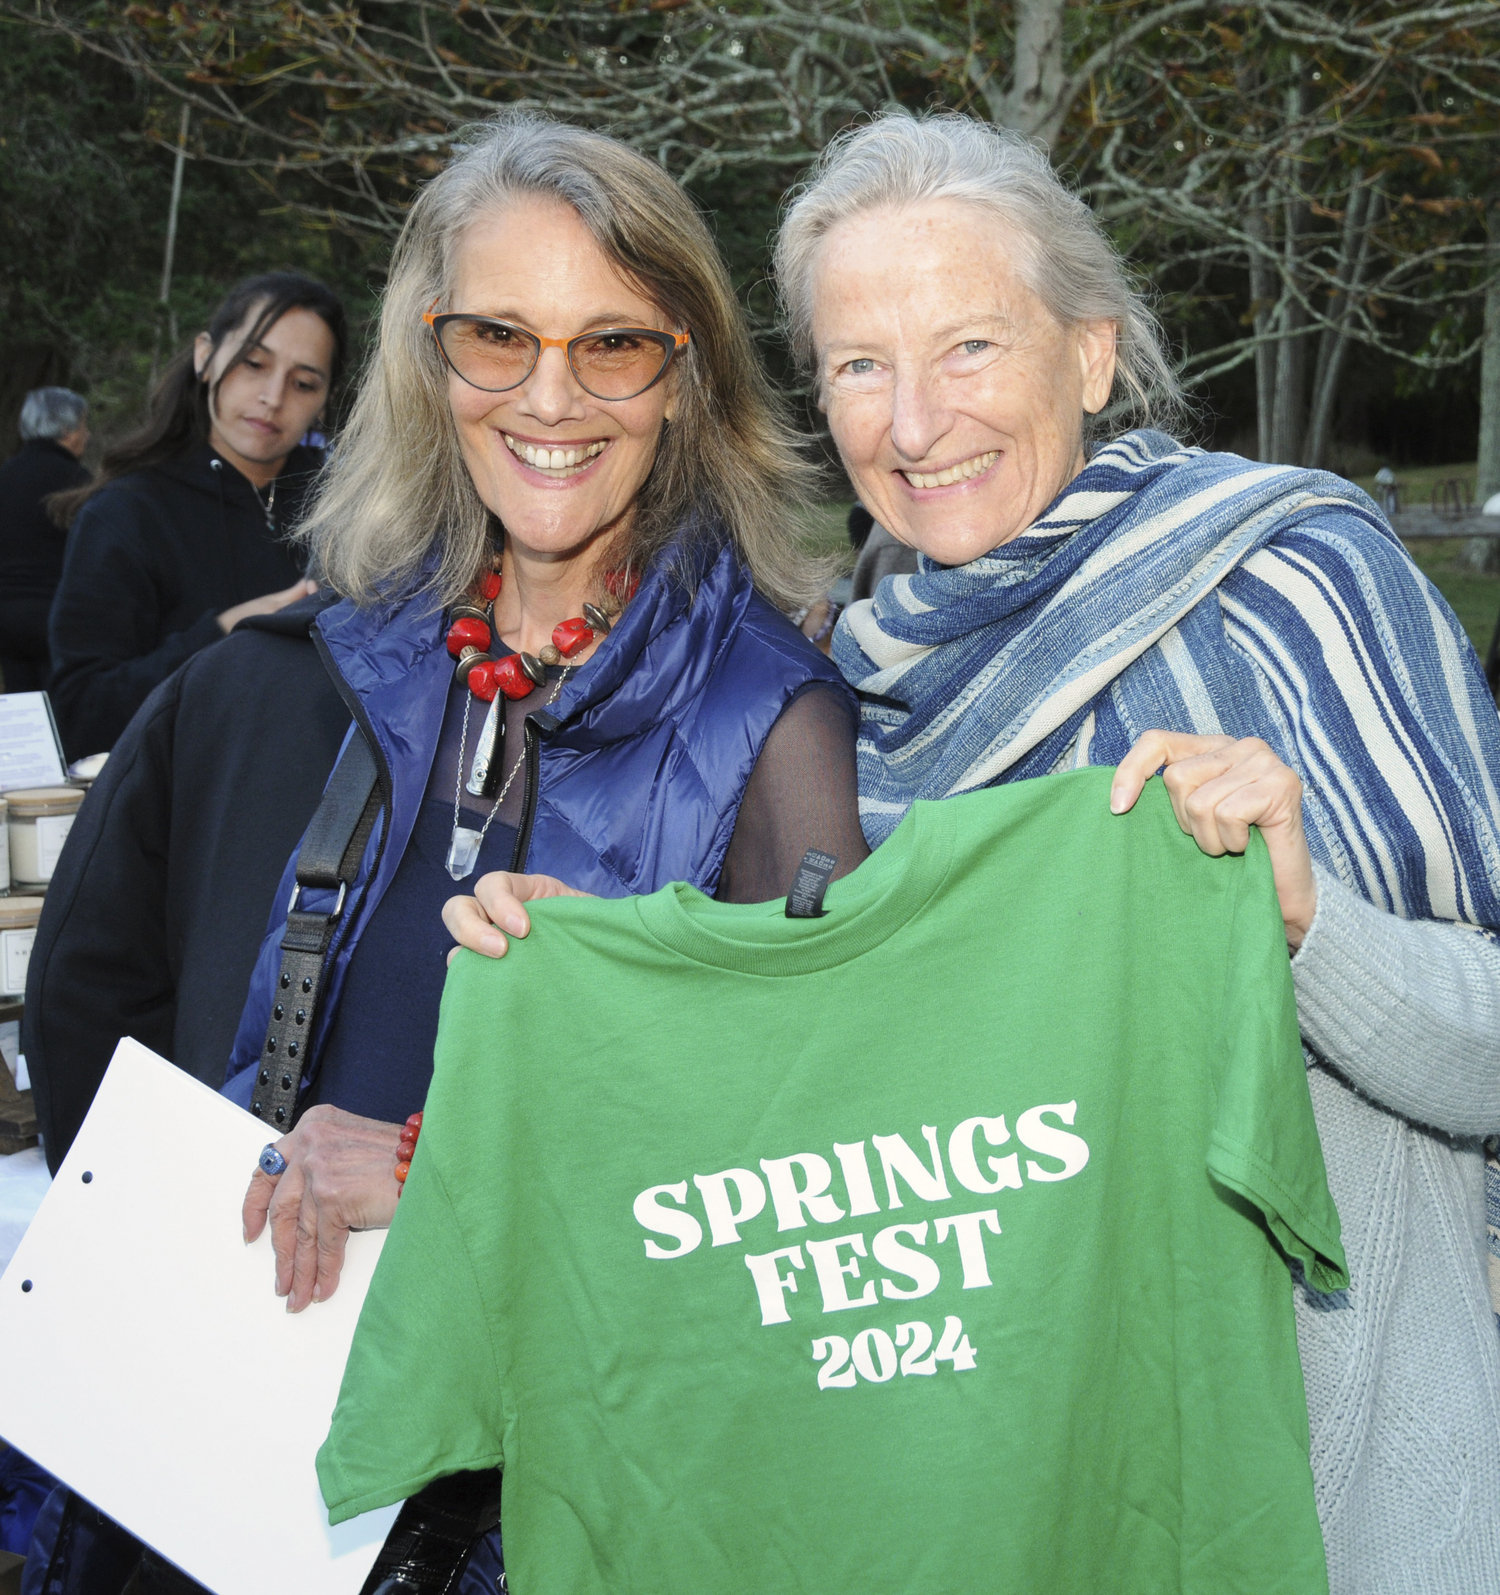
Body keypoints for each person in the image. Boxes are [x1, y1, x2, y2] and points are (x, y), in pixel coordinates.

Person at [451, 112, 1500, 1595]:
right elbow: (838, 1152)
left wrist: (1313, 920)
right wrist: (616, 982)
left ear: (1088, 352)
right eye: (861, 367)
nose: (916, 421)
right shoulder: (845, 698)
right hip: (1031, 1510)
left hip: (1359, 1502)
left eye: (970, 348)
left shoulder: (1296, 576)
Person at [24, 112, 863, 1592]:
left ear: (683, 375)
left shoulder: (767, 725)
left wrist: (447, 1169)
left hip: (557, 1507)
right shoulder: (265, 679)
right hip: (216, 1469)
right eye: (499, 334)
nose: (551, 395)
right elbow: (97, 1006)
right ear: (430, 356)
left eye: (612, 343)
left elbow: (814, 1175)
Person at [44, 272, 346, 758]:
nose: (273, 396)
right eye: (253, 363)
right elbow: (79, 715)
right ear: (206, 356)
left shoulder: (348, 510)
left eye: (304, 382)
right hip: (184, 816)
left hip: (333, 813)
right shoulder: (127, 514)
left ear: (325, 398)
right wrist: (221, 634)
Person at [0, 388, 89, 693]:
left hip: (6, 618)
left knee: (23, 711)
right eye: (82, 425)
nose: (86, 435)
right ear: (66, 430)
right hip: (57, 617)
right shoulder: (79, 484)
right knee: (64, 710)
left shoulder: (4, 476)